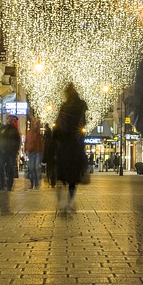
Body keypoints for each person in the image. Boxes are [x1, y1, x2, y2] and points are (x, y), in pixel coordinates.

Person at [53, 82, 88, 212]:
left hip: (64, 145)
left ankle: (62, 203)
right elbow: (82, 124)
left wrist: (55, 142)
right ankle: (70, 202)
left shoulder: (64, 106)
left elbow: (58, 125)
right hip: (75, 145)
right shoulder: (81, 105)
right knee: (73, 178)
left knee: (61, 176)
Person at [0, 115, 21, 192]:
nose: (9, 120)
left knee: (10, 169)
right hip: (2, 152)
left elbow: (18, 141)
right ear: (6, 120)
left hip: (11, 153)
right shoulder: (2, 129)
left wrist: (15, 151)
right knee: (0, 168)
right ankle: (1, 184)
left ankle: (9, 185)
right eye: (8, 119)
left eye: (11, 119)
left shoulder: (14, 130)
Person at [24, 113, 44, 190]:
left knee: (35, 168)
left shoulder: (38, 133)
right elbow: (26, 141)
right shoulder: (29, 132)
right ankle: (32, 184)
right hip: (31, 152)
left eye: (36, 124)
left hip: (37, 151)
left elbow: (40, 143)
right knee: (31, 168)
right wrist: (25, 150)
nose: (35, 125)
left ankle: (36, 184)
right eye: (34, 123)